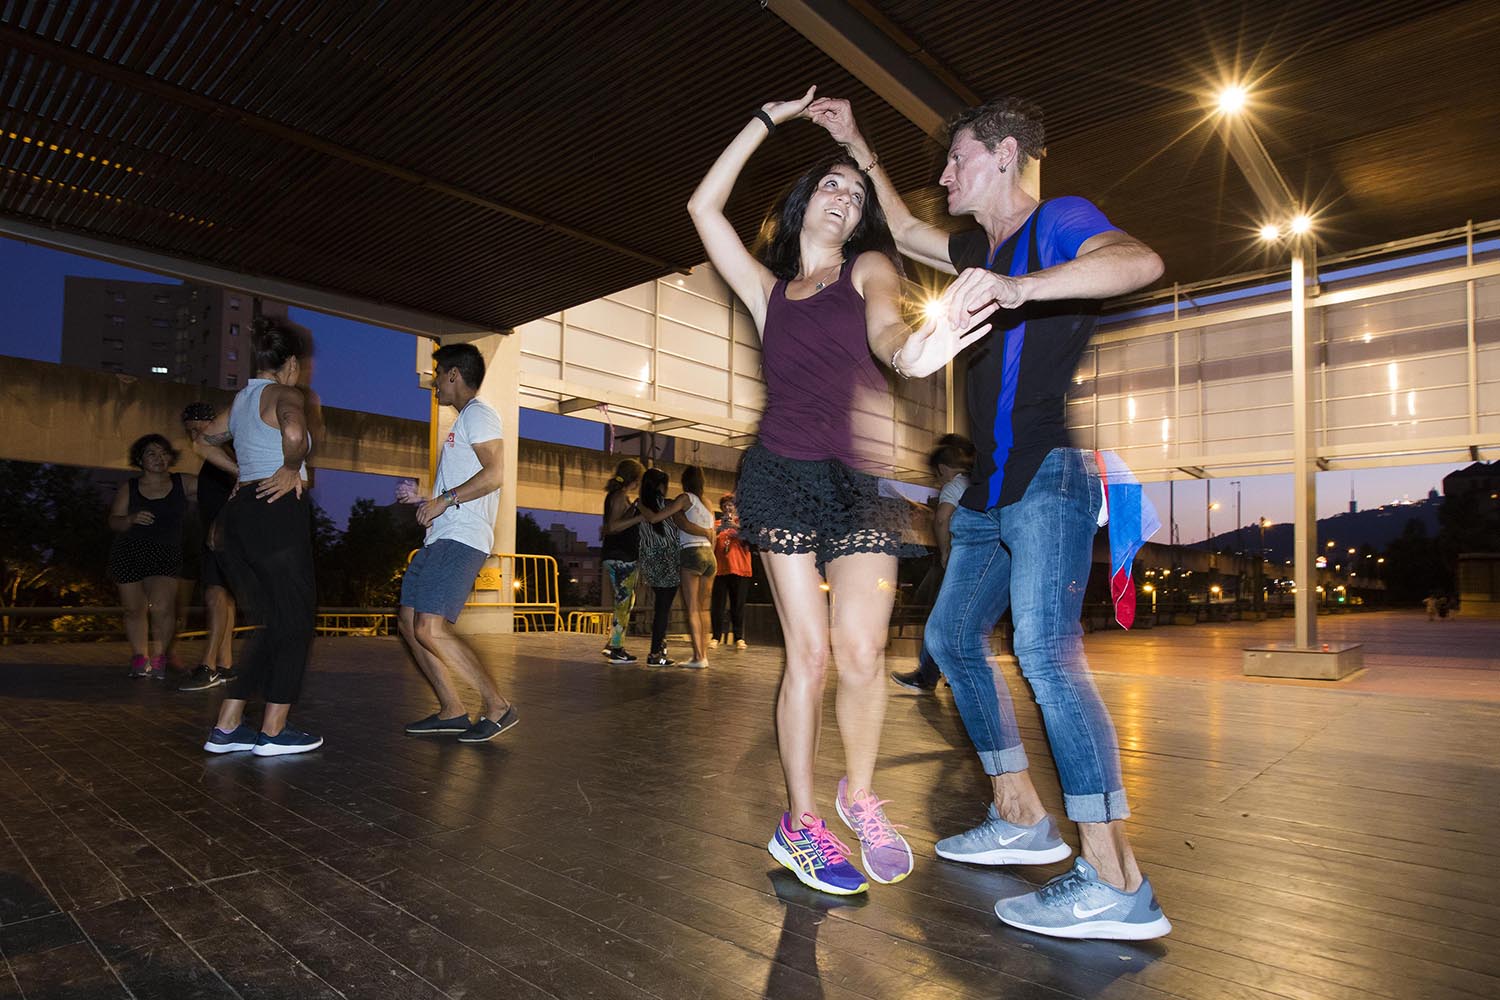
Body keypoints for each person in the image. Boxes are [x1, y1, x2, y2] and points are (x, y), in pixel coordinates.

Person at [810, 95, 1171, 938]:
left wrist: (1021, 286)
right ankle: (1019, 813)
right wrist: (855, 141)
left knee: (1045, 650)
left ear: (1005, 155)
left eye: (956, 159)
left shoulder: (1059, 223)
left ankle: (1118, 882)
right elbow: (897, 227)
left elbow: (1138, 261)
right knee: (949, 637)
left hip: (1051, 474)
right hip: (989, 488)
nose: (943, 176)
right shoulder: (974, 244)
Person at [687, 87, 989, 896]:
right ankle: (800, 823)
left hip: (859, 487)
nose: (844, 197)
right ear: (802, 203)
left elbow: (890, 328)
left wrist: (912, 352)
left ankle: (859, 795)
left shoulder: (872, 266)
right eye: (831, 186)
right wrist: (766, 119)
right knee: (811, 657)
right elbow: (702, 204)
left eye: (856, 195)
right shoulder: (766, 290)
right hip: (781, 478)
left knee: (862, 654)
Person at [192, 316, 322, 757]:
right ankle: (273, 731)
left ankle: (228, 728)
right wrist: (288, 467)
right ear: (288, 364)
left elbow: (203, 441)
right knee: (295, 620)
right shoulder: (286, 394)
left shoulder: (242, 400)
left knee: (274, 622)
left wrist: (241, 474)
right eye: (299, 367)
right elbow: (293, 431)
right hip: (275, 510)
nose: (301, 375)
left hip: (241, 513)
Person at [397, 343, 518, 743]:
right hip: (443, 534)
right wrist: (425, 500)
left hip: (461, 537)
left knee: (430, 628)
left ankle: (497, 705)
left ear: (453, 374)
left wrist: (443, 500)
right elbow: (467, 481)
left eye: (437, 374)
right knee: (410, 623)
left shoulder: (479, 414)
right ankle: (452, 710)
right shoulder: (463, 422)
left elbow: (495, 473)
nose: (433, 383)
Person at [107, 434, 198, 679]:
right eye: (151, 453)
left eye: (163, 453)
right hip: (129, 551)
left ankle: (160, 656)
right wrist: (130, 519)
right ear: (140, 459)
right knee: (133, 609)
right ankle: (139, 657)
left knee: (162, 606)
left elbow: (214, 490)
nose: (159, 458)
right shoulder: (131, 487)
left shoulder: (183, 483)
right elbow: (113, 520)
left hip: (165, 552)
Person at [891, 433, 975, 692]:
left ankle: (927, 676)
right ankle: (953, 674)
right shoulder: (977, 482)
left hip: (958, 561)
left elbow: (942, 519)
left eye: (936, 477)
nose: (937, 483)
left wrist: (944, 551)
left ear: (942, 469)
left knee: (936, 619)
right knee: (962, 621)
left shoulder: (954, 485)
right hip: (980, 561)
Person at [179, 403, 239, 691]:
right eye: (190, 430)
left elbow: (238, 494)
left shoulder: (224, 454)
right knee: (224, 600)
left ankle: (208, 666)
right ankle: (224, 664)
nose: (194, 435)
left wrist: (218, 527)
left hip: (222, 537)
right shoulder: (216, 458)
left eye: (198, 427)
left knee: (215, 596)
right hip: (218, 537)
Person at [636, 467, 692, 667]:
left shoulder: (639, 505)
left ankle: (660, 650)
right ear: (661, 485)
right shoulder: (669, 505)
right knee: (663, 609)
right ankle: (655, 653)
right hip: (669, 559)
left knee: (661, 606)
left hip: (649, 560)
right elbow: (682, 526)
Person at [600, 459, 646, 664]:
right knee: (623, 602)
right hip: (621, 557)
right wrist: (639, 517)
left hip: (617, 555)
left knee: (626, 600)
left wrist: (634, 509)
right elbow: (613, 526)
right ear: (634, 479)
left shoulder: (618, 497)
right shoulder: (618, 496)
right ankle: (617, 648)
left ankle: (613, 643)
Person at [676, 465, 717, 668]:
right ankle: (704, 655)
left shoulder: (685, 498)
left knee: (692, 608)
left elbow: (682, 524)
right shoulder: (708, 503)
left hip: (691, 552)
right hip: (710, 555)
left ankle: (698, 656)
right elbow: (714, 533)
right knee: (704, 609)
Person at [711, 493, 753, 650]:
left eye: (731, 504)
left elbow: (752, 541)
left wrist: (736, 528)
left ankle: (739, 637)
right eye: (725, 505)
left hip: (740, 568)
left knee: (738, 605)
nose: (728, 507)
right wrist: (716, 530)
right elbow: (708, 542)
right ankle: (715, 636)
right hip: (720, 569)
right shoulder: (716, 523)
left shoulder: (743, 523)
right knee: (718, 605)